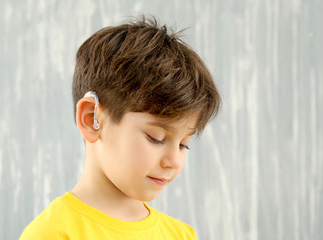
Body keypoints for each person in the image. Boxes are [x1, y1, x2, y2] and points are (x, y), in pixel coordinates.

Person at [19, 16, 221, 239]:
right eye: (156, 137)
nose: (174, 161)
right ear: (91, 118)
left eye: (184, 145)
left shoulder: (181, 235)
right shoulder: (53, 234)